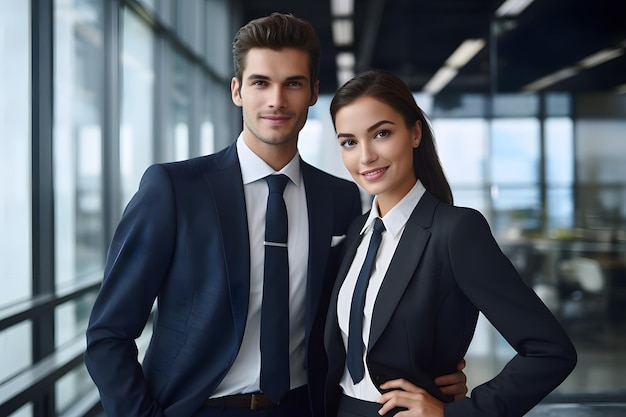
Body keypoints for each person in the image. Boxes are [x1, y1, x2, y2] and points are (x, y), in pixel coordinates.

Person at [84, 14, 467, 417]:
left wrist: (435, 369)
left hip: (304, 408)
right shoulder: (175, 189)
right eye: (260, 82)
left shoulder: (342, 199)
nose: (276, 101)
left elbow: (368, 310)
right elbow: (109, 333)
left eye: (293, 84)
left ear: (314, 92)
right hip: (196, 408)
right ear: (237, 91)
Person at [323, 69, 578, 417]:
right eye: (349, 142)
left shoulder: (456, 231)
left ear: (414, 133)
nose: (365, 156)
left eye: (381, 133)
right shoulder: (356, 232)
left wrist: (458, 413)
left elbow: (550, 350)